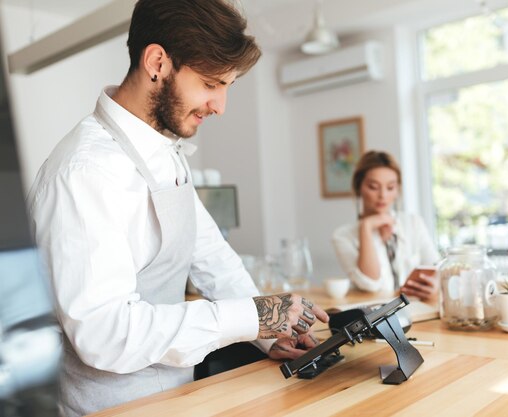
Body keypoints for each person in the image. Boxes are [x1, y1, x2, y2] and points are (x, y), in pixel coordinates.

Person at [26, 1, 328, 416]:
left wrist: (270, 331)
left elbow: (211, 258)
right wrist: (250, 317)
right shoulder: (85, 173)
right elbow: (105, 334)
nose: (220, 106)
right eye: (210, 84)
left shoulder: (165, 153)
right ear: (157, 63)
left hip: (175, 399)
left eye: (227, 87)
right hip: (113, 408)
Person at [332, 150, 440, 301]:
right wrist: (367, 227)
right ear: (359, 188)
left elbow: (436, 267)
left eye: (390, 187)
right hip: (373, 317)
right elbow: (370, 283)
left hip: (417, 311)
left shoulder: (413, 223)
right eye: (373, 187)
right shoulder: (342, 236)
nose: (383, 195)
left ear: (397, 190)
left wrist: (434, 284)